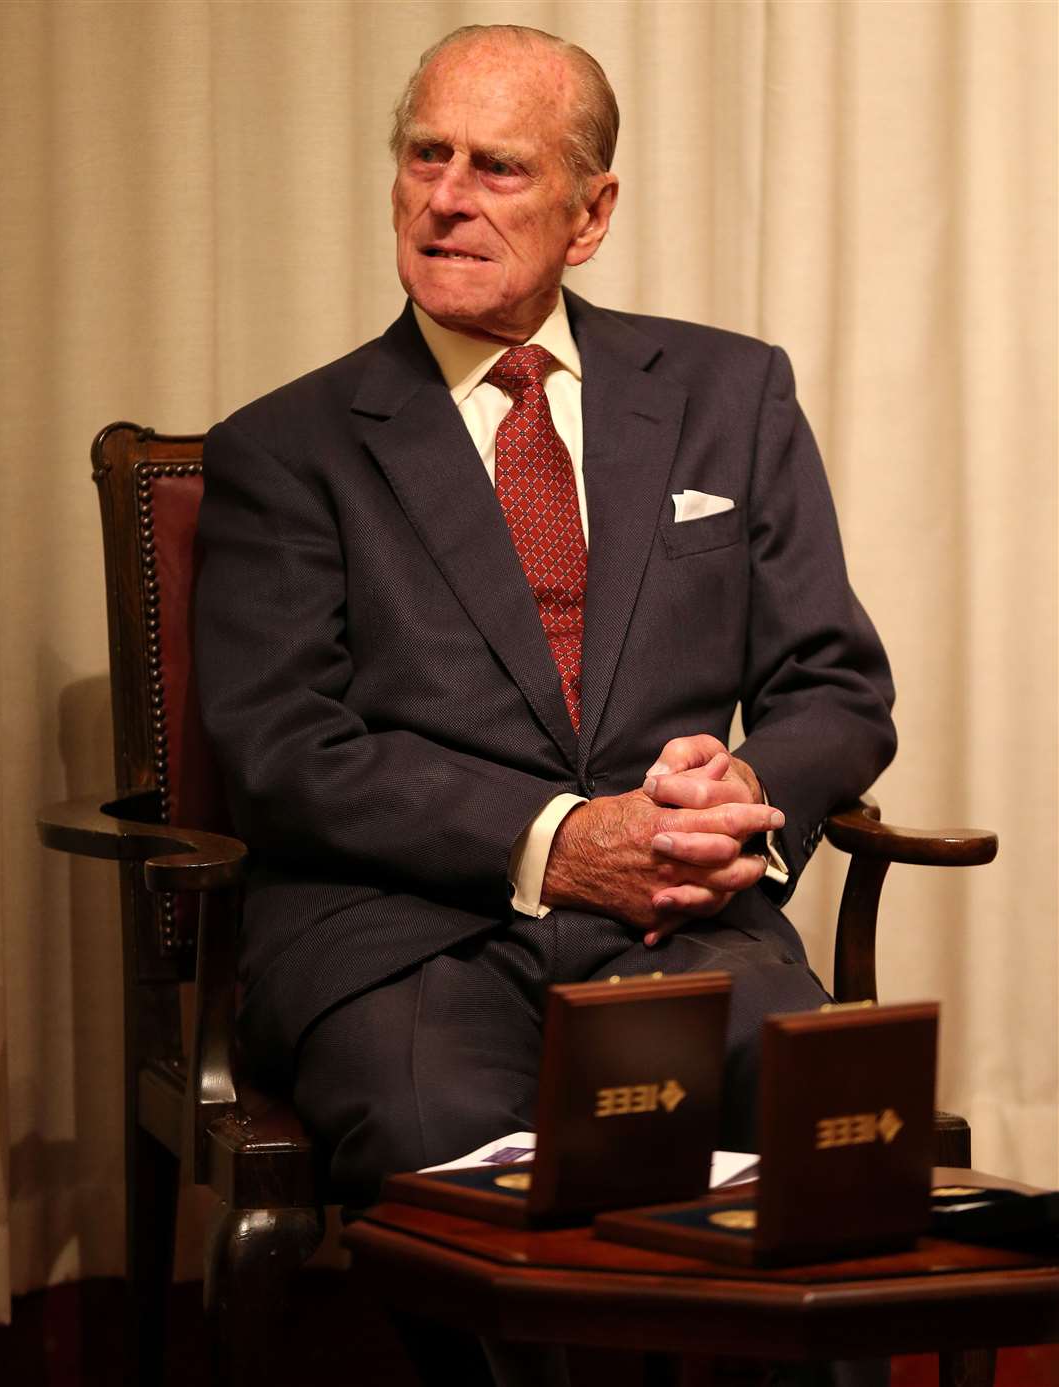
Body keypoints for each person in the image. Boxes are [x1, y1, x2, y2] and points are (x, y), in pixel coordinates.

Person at [195, 27, 894, 1376]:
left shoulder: (724, 395)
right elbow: (286, 749)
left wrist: (743, 800)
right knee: (448, 1163)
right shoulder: (289, 448)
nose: (446, 196)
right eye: (425, 156)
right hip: (400, 940)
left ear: (591, 212)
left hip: (687, 922)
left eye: (498, 167)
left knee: (831, 1129)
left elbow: (835, 683)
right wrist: (561, 843)